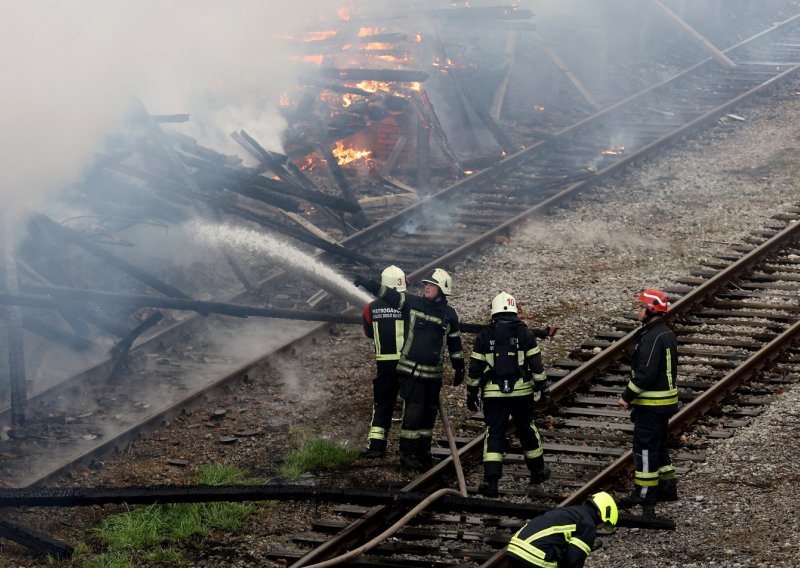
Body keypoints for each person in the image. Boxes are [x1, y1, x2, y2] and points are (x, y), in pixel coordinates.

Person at [355, 268, 464, 470]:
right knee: (413, 414)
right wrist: (366, 282)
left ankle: (423, 454)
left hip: (433, 375)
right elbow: (388, 295)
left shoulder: (450, 315)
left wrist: (459, 367)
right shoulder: (414, 304)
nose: (427, 288)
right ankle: (407, 456)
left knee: (428, 417)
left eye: (431, 285)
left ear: (442, 289)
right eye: (426, 285)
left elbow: (454, 343)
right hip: (412, 372)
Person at [465, 292, 550, 497]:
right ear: (514, 310)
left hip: (493, 394)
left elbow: (475, 368)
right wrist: (543, 388)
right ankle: (537, 473)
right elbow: (536, 365)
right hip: (521, 392)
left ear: (493, 311)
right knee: (527, 429)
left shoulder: (484, 335)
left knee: (494, 433)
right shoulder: (525, 333)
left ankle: (491, 482)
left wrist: (471, 392)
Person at [618, 288, 679, 516]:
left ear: (651, 309)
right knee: (658, 445)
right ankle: (667, 486)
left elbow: (645, 373)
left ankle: (644, 495)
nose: (638, 310)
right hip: (663, 403)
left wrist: (627, 396)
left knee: (644, 449)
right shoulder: (664, 333)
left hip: (652, 404)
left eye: (641, 306)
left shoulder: (653, 337)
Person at [360, 265, 407, 459]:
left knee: (382, 404)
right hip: (408, 364)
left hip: (385, 365)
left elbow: (368, 333)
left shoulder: (371, 308)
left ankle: (376, 447)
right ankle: (409, 449)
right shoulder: (409, 304)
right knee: (413, 405)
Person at [507, 491, 618, 568]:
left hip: (514, 548)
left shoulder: (571, 513)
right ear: (601, 513)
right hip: (536, 557)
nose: (601, 527)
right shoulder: (588, 525)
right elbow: (574, 560)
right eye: (605, 523)